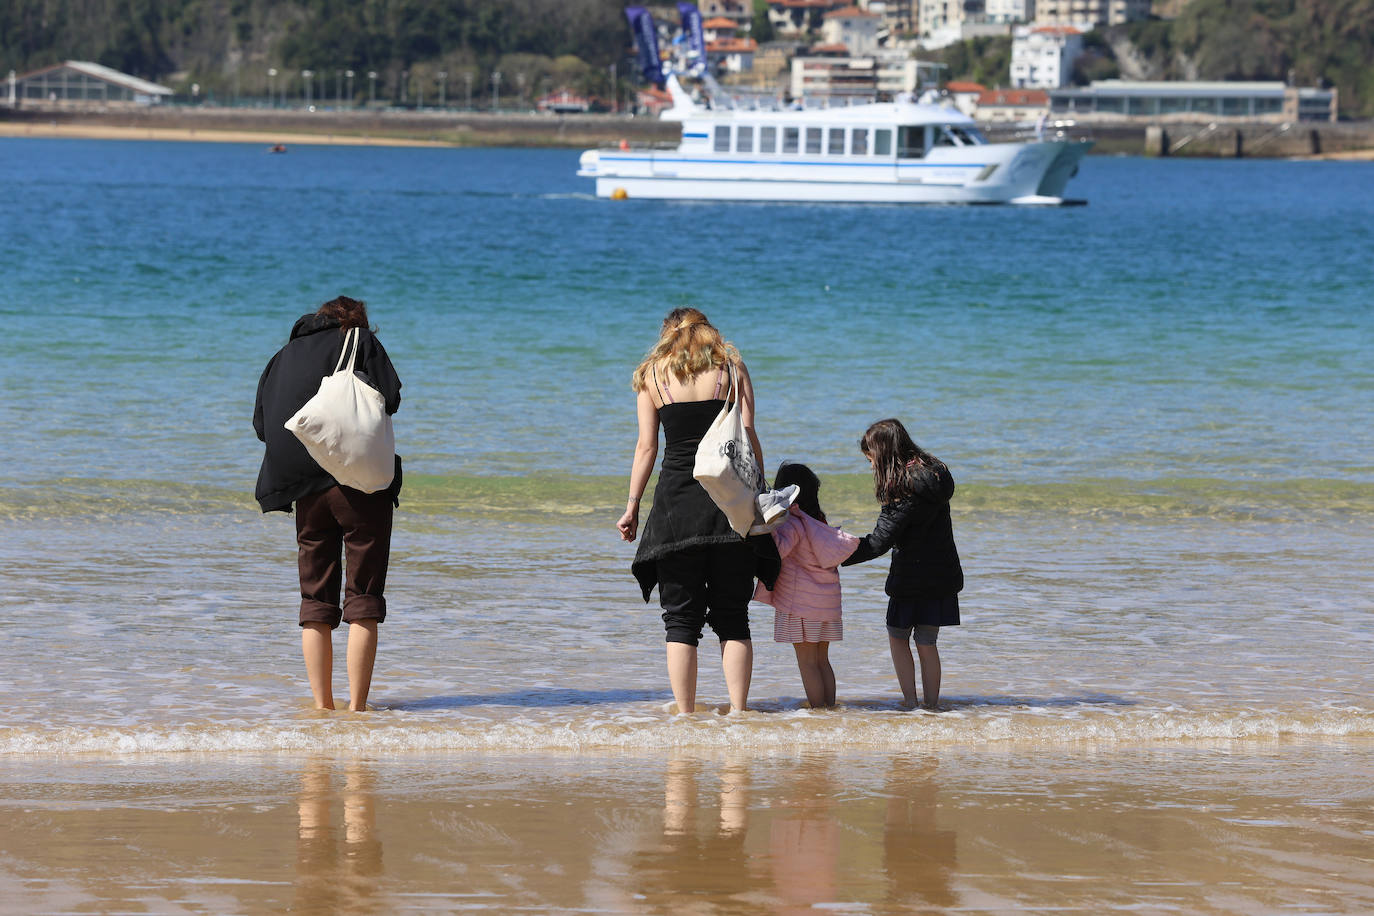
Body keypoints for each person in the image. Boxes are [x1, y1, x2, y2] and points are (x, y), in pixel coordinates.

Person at [617, 308, 777, 714]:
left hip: (676, 508)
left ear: (667, 335)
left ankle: (685, 717)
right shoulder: (731, 368)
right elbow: (749, 433)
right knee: (733, 617)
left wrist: (632, 506)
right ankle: (739, 714)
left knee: (680, 621)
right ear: (709, 331)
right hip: (731, 505)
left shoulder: (652, 375)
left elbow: (646, 448)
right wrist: (762, 492)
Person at [253, 295, 403, 712]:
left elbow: (262, 425)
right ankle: (357, 709)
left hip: (304, 492)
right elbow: (390, 397)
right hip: (359, 486)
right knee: (363, 598)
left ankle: (322, 707)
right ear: (357, 320)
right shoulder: (358, 340)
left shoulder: (281, 357)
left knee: (315, 599)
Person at [843, 419, 963, 709]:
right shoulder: (936, 472)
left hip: (910, 578)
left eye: (871, 459)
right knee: (928, 643)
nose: (871, 466)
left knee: (898, 637)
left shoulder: (900, 488)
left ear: (883, 453)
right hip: (942, 574)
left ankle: (910, 703)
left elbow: (879, 542)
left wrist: (835, 552)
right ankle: (931, 707)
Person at [753, 462, 858, 709]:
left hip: (801, 605)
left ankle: (819, 713)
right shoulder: (819, 523)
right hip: (827, 603)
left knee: (807, 662)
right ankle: (829, 709)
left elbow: (778, 552)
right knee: (822, 660)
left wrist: (765, 527)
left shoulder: (792, 522)